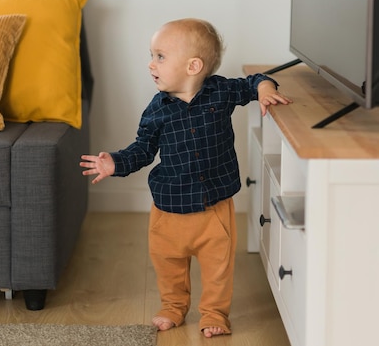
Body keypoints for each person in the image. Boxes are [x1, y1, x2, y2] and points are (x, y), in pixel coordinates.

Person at [80, 18, 291, 337]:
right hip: (168, 209)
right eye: (151, 55)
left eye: (160, 56)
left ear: (194, 66)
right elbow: (143, 150)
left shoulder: (220, 91)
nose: (151, 64)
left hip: (214, 207)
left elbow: (253, 81)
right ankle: (173, 307)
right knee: (169, 265)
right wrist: (115, 163)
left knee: (219, 268)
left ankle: (215, 314)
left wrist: (264, 89)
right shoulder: (156, 110)